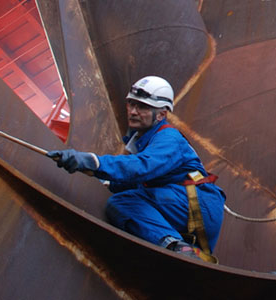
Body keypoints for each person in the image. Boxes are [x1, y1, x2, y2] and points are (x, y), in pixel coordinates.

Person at [48, 76, 225, 260]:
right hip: (190, 213)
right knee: (124, 196)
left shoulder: (169, 138)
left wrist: (94, 162)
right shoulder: (145, 143)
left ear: (162, 114)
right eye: (131, 104)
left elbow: (142, 167)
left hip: (197, 204)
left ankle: (175, 248)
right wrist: (98, 177)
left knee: (123, 203)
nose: (133, 111)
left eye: (142, 107)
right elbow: (133, 181)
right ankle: (184, 251)